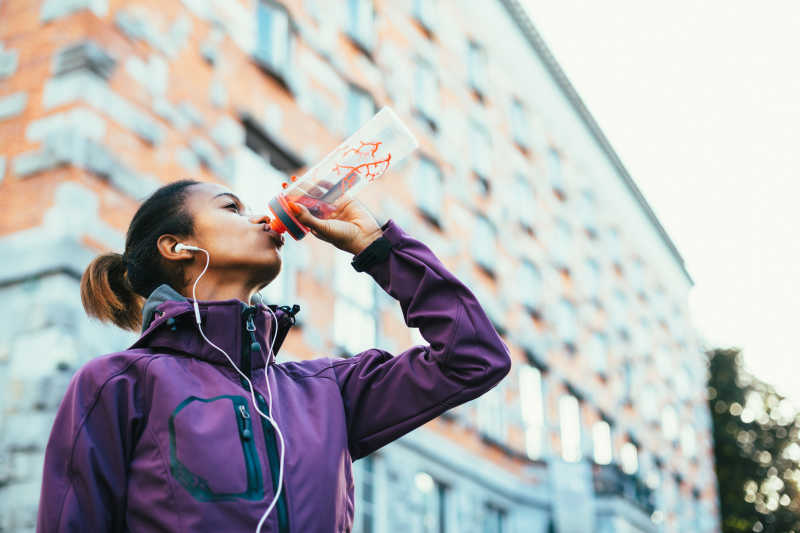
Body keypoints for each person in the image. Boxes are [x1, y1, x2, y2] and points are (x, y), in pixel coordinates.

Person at [36, 179, 512, 532]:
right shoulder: (118, 384)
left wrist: (378, 248)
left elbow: (473, 358)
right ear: (178, 246)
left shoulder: (329, 391)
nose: (262, 219)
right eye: (232, 209)